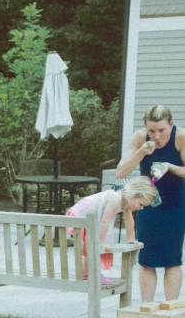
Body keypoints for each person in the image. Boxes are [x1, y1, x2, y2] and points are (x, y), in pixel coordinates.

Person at [117, 104, 185, 302]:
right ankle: (146, 309)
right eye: (152, 131)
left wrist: (170, 167)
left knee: (172, 261)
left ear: (171, 125)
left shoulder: (180, 137)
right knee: (147, 260)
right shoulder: (139, 137)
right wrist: (141, 152)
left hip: (176, 205)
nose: (157, 136)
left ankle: (170, 310)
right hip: (147, 204)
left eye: (162, 130)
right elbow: (121, 171)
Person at [65, 177, 156, 284]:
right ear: (133, 195)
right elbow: (105, 221)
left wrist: (130, 238)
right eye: (141, 204)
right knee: (93, 243)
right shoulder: (115, 199)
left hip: (90, 217)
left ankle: (86, 273)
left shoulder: (125, 202)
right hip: (83, 214)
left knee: (90, 242)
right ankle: (92, 274)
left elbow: (129, 220)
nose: (141, 208)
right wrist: (101, 241)